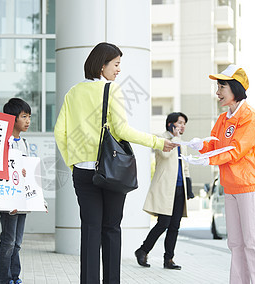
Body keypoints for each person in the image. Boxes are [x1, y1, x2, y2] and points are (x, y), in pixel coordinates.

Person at [53, 42, 178, 284]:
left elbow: (60, 132)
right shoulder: (112, 90)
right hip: (110, 172)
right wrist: (157, 142)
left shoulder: (73, 92)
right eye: (116, 64)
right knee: (111, 229)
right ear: (103, 65)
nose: (119, 70)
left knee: (90, 230)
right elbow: (122, 130)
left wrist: (74, 163)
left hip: (82, 172)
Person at [183, 64, 255, 283]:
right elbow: (215, 145)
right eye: (218, 86)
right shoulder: (224, 119)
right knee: (235, 243)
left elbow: (235, 149)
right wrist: (200, 146)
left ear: (236, 88)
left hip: (250, 187)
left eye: (222, 86)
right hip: (231, 186)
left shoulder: (250, 117)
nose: (218, 92)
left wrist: (209, 158)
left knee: (253, 242)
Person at [135, 112, 195, 270]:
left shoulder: (181, 142)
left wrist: (188, 185)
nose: (183, 126)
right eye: (180, 123)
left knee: (175, 226)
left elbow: (185, 165)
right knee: (163, 223)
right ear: (171, 124)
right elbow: (165, 155)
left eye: (184, 123)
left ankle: (169, 260)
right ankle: (143, 250)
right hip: (165, 189)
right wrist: (175, 139)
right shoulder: (161, 138)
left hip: (180, 188)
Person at [0, 98, 32, 284]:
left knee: (17, 243)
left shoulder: (24, 142)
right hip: (9, 199)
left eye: (29, 117)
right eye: (24, 116)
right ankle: (4, 279)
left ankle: (15, 276)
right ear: (12, 118)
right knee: (8, 242)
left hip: (23, 200)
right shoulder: (4, 142)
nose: (28, 121)